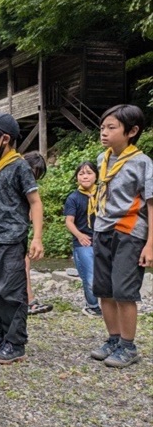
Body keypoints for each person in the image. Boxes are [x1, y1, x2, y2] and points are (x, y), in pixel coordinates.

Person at [0, 113, 44, 364]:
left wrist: (37, 238)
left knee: (8, 292)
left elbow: (35, 202)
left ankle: (14, 343)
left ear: (5, 139)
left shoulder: (19, 166)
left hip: (11, 239)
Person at [90, 104, 152, 368]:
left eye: (111, 128)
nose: (104, 132)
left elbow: (151, 203)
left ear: (132, 131)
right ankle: (113, 339)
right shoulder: (102, 159)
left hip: (129, 231)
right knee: (104, 289)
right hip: (102, 229)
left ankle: (129, 346)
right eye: (103, 127)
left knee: (125, 291)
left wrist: (150, 243)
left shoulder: (142, 162)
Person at [64, 161, 101, 317]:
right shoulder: (73, 198)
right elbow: (69, 222)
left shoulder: (103, 194)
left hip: (102, 240)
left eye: (89, 173)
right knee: (90, 276)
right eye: (81, 174)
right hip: (83, 243)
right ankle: (92, 305)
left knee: (105, 275)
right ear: (76, 178)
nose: (85, 176)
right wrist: (79, 235)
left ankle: (109, 305)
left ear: (96, 176)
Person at [23, 151, 53, 315]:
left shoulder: (29, 187)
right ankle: (28, 301)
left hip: (19, 231)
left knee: (24, 263)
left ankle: (29, 300)